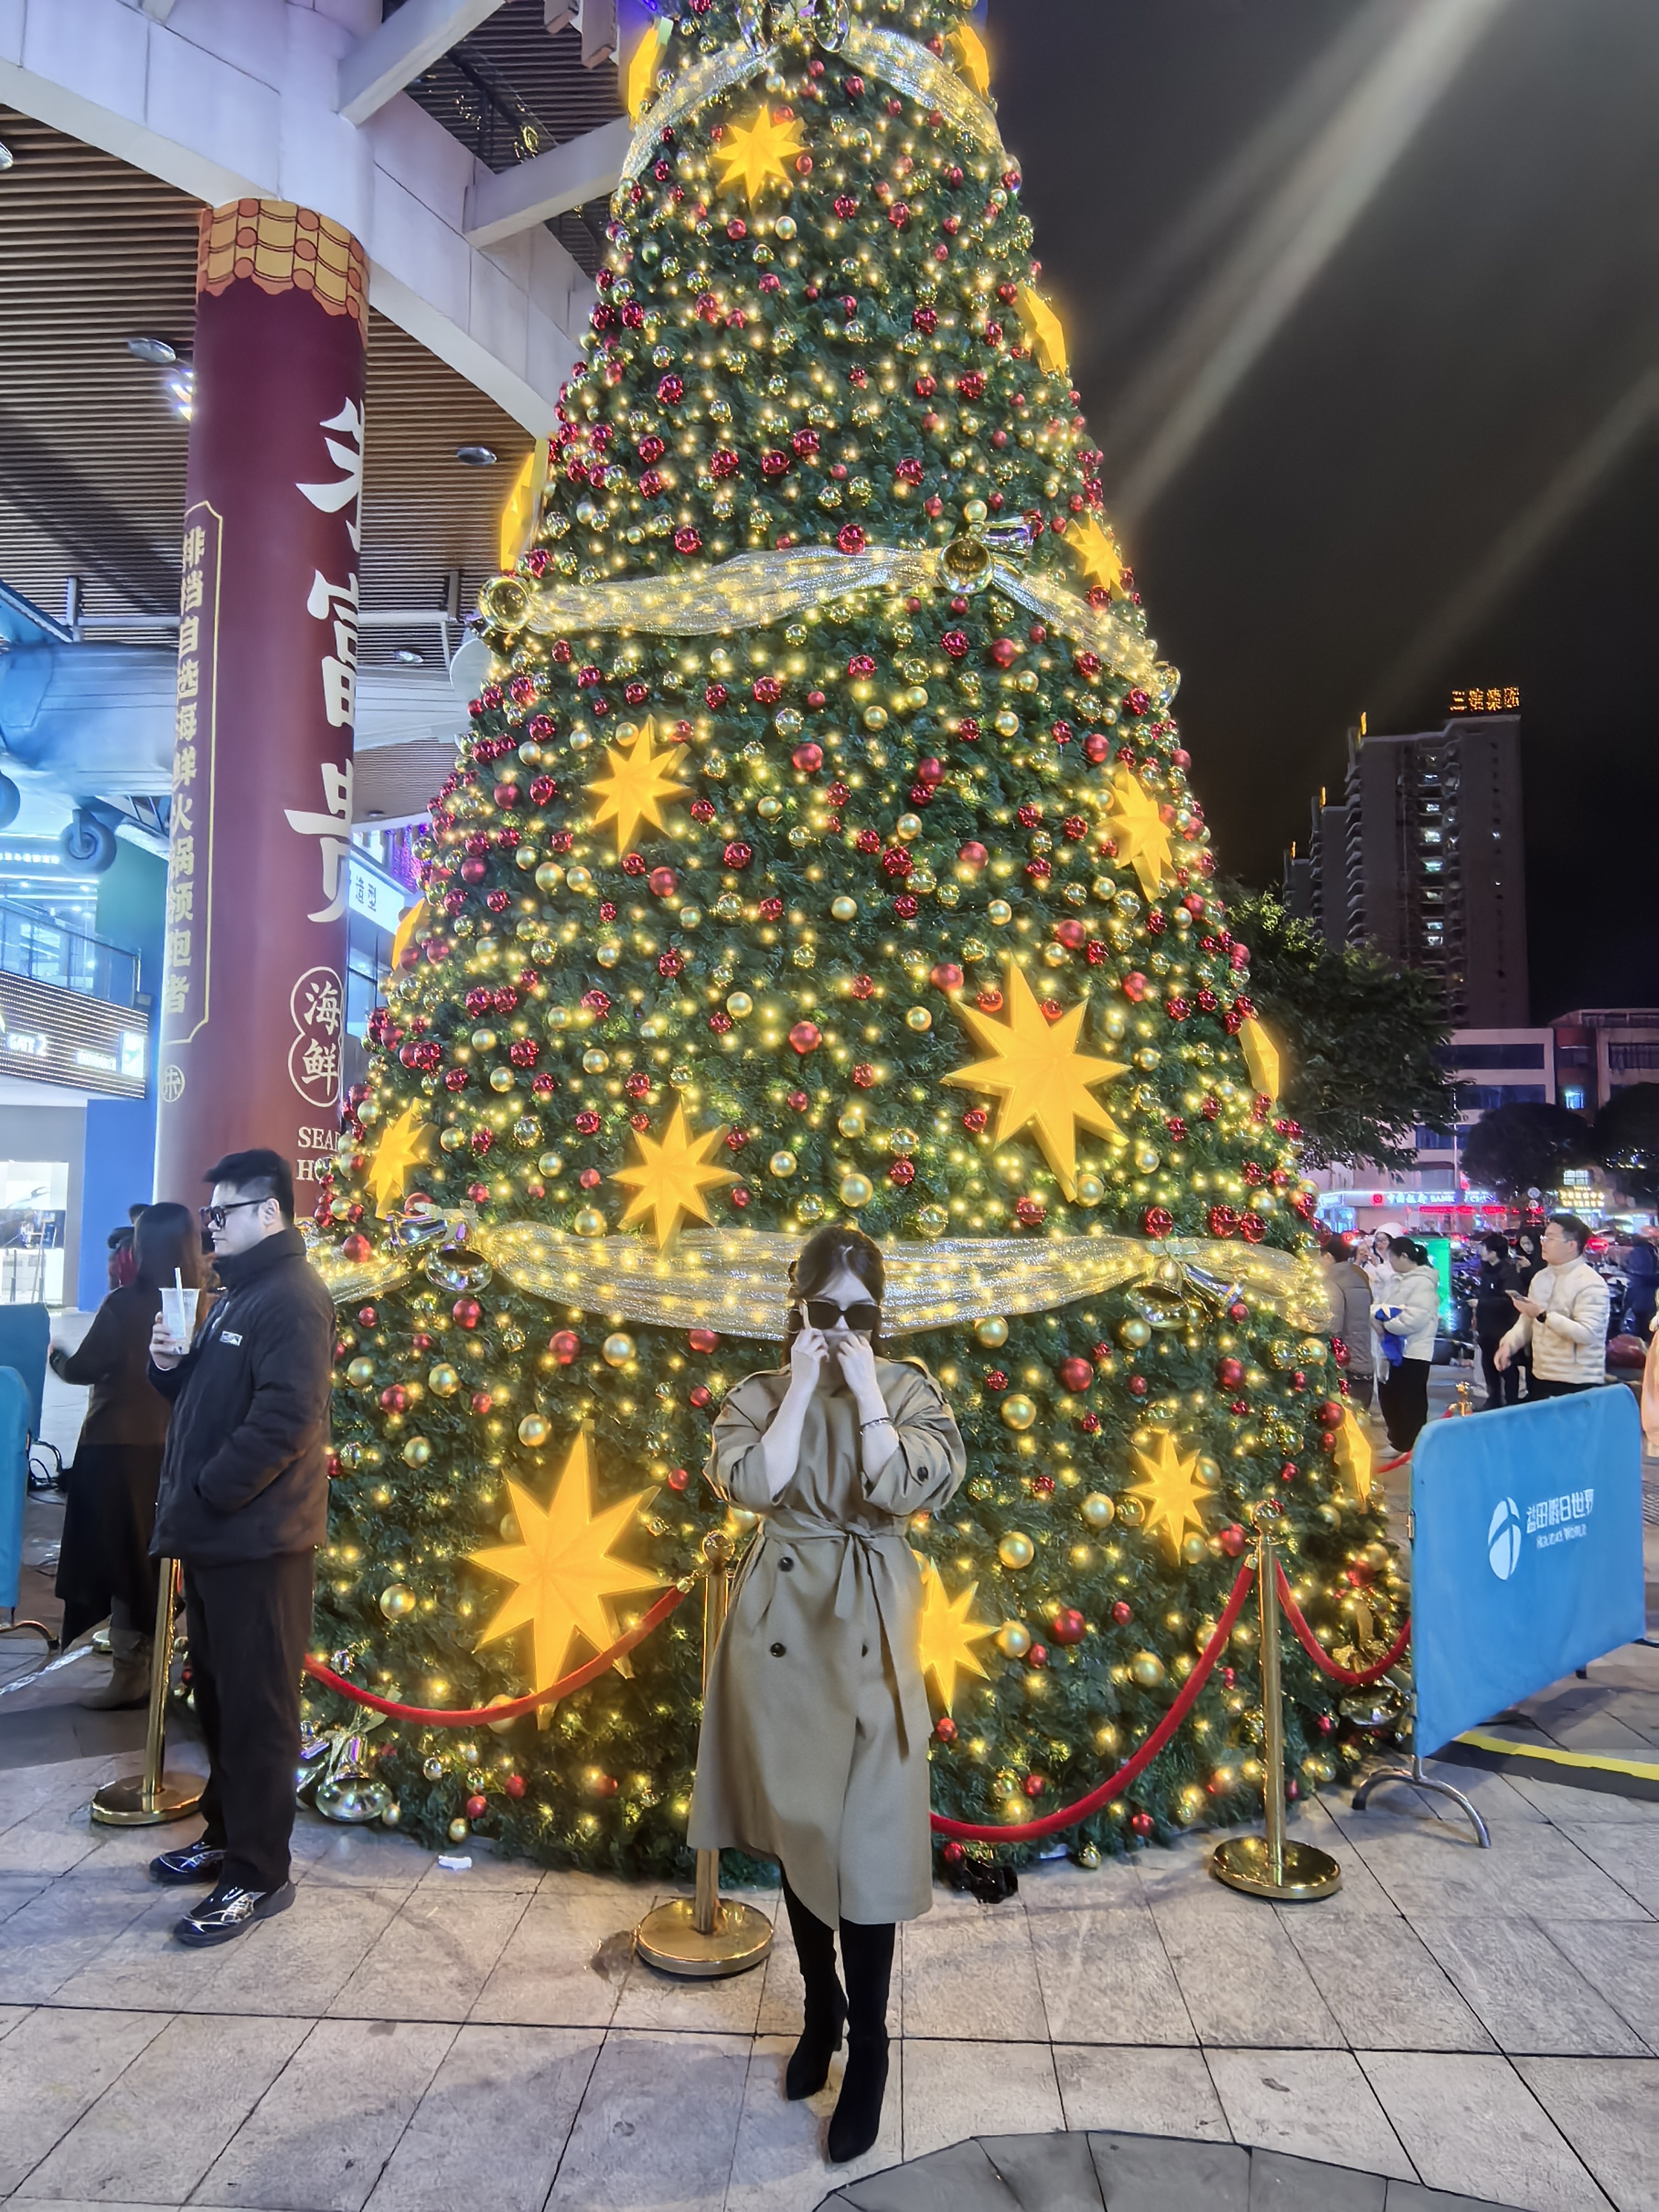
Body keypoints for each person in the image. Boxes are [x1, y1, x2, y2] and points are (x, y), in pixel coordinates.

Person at [689, 1226, 965, 2163]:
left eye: (862, 1314)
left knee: (869, 1843)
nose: (844, 1329)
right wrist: (804, 1386)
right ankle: (822, 2013)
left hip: (874, 1623)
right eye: (824, 1310)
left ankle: (872, 2049)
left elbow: (906, 1489)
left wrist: (869, 1393)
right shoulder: (761, 1394)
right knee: (803, 1827)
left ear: (882, 1318)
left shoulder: (911, 1391)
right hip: (783, 1630)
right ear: (796, 1308)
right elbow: (751, 1486)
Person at [145, 1149, 335, 1947]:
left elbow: (286, 1419)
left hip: (260, 1543)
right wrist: (168, 1365)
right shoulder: (240, 1294)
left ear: (269, 1213)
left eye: (222, 1214)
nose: (211, 1228)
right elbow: (208, 1397)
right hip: (219, 1539)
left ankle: (260, 1875)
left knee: (259, 1711)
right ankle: (226, 1837)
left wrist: (209, 1492)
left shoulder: (293, 1297)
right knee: (220, 1698)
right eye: (209, 1215)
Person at [51, 1204, 208, 1700]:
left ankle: (129, 1672)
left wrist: (57, 1357)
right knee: (151, 1560)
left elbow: (85, 1367)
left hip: (114, 1450)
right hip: (172, 1450)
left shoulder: (125, 1304)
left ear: (142, 1248)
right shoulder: (203, 1306)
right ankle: (152, 1662)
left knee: (115, 1561)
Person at [1496, 1213, 1610, 1398]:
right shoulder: (1541, 1278)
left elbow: (1588, 1334)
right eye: (1544, 1238)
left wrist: (1543, 1315)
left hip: (1578, 1382)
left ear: (1571, 1245)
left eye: (1551, 1238)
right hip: (1541, 1375)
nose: (1544, 1243)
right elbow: (1528, 1321)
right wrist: (1509, 1345)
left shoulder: (1591, 1283)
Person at [1370, 1236, 1440, 1452]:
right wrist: (1379, 1315)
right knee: (1392, 1396)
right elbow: (1379, 1305)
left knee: (1410, 1401)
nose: (1390, 1263)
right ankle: (1399, 1442)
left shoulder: (1422, 1282)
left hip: (1413, 1351)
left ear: (1403, 1256)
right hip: (1393, 1350)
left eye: (1391, 1257)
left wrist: (1387, 1324)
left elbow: (1415, 1318)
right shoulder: (1398, 1280)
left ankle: (1411, 1445)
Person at [1318, 1237, 1376, 1422]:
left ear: (1328, 1256)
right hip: (1364, 1364)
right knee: (1361, 1425)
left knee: (1347, 1430)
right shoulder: (1357, 1276)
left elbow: (1332, 1327)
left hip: (1346, 1371)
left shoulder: (1331, 1282)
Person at [1472, 1233, 1522, 1410]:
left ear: (1495, 1252)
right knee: (1488, 1366)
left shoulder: (1508, 1272)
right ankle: (1493, 1399)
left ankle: (1512, 1401)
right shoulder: (1487, 1271)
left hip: (1503, 1327)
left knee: (1507, 1366)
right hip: (1486, 1327)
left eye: (1485, 1248)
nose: (1481, 1252)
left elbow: (1510, 1301)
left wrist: (1482, 1303)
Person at [1620, 1237, 1658, 1338]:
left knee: (1644, 1323)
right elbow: (1643, 1277)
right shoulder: (1640, 1253)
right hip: (1643, 1297)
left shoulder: (1648, 1250)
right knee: (1644, 1324)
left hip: (1644, 1297)